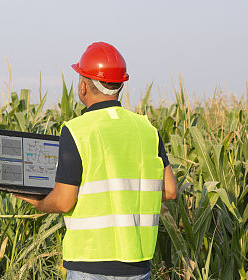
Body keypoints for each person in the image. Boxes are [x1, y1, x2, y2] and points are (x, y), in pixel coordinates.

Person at [14, 42, 178, 280]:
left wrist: (40, 203)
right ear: (120, 85)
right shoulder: (147, 129)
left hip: (89, 266)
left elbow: (63, 202)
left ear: (83, 87)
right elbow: (170, 190)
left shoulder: (77, 130)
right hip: (138, 267)